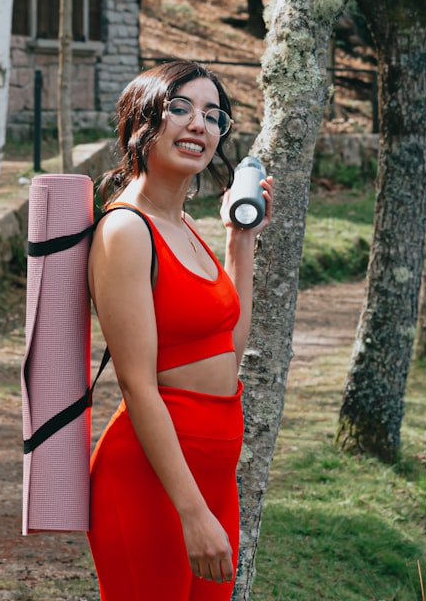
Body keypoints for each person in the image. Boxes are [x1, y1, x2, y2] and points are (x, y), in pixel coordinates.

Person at [85, 60, 272, 600]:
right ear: (142, 122)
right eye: (180, 108)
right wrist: (191, 512)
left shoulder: (185, 225)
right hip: (153, 478)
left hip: (212, 473)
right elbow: (138, 384)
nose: (199, 124)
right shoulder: (127, 229)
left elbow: (226, 353)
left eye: (214, 115)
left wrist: (241, 241)